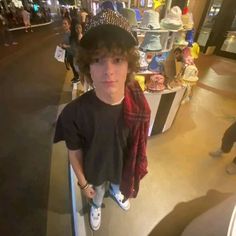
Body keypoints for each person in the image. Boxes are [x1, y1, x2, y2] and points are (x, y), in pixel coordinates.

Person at [54, 9, 150, 231]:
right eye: (98, 60)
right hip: (94, 172)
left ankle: (116, 190)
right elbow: (74, 151)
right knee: (97, 193)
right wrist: (83, 182)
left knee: (117, 183)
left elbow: (137, 143)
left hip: (121, 167)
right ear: (88, 67)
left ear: (129, 65)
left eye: (117, 60)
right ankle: (96, 204)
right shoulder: (74, 113)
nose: (108, 71)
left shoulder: (138, 105)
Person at [60, 17, 79, 83]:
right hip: (69, 53)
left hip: (73, 53)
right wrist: (61, 45)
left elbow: (73, 46)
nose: (64, 25)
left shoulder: (71, 34)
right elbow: (65, 42)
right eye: (63, 24)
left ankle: (78, 77)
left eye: (65, 23)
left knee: (74, 66)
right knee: (72, 66)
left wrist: (65, 46)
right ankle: (76, 77)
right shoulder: (65, 33)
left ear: (69, 25)